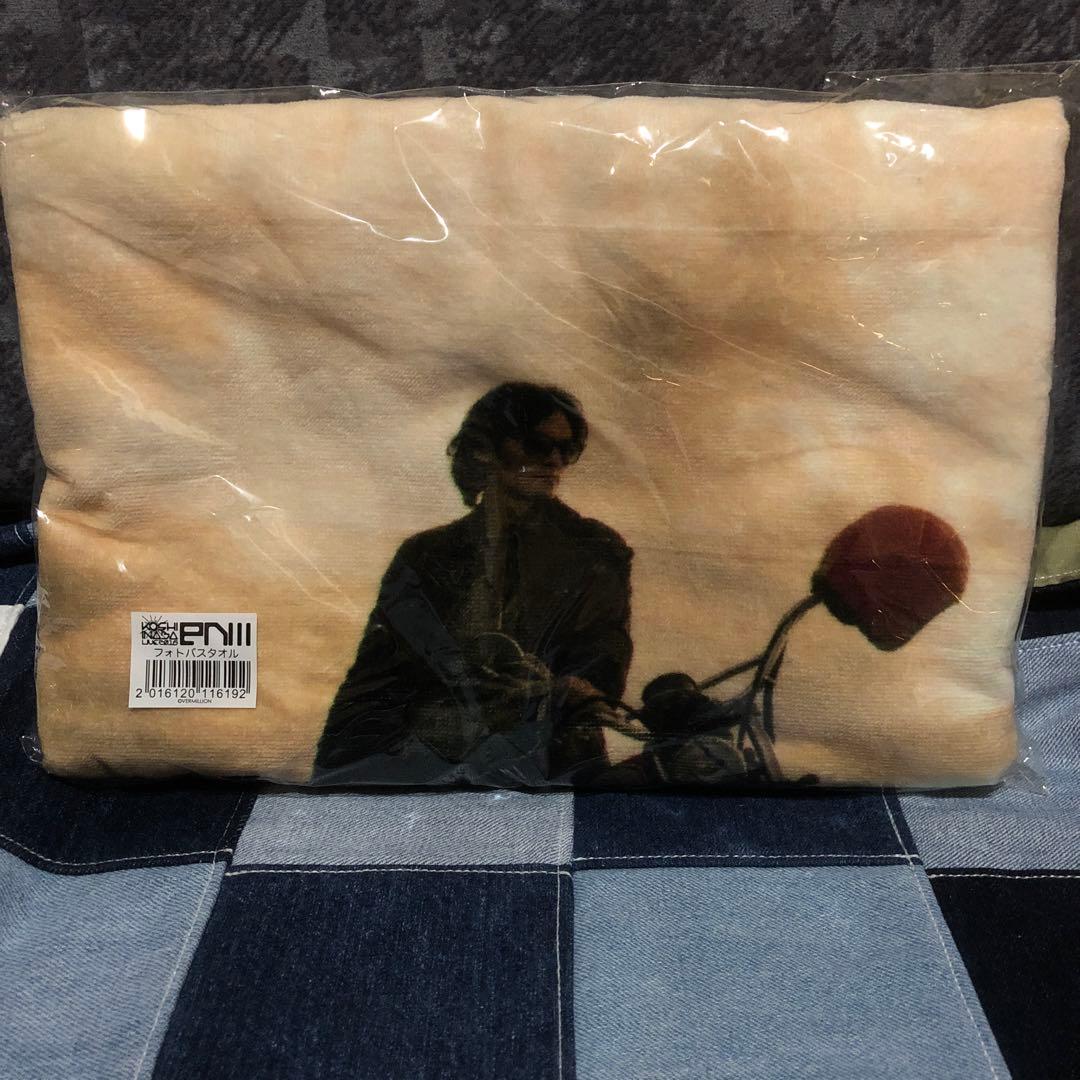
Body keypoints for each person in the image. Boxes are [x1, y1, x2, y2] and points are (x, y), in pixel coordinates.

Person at [314, 382, 633, 786]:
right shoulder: (425, 554)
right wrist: (332, 778)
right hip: (429, 767)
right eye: (537, 444)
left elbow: (603, 662)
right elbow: (374, 681)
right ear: (486, 448)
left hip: (548, 769)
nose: (554, 460)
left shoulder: (596, 551)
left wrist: (557, 692)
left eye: (565, 450)